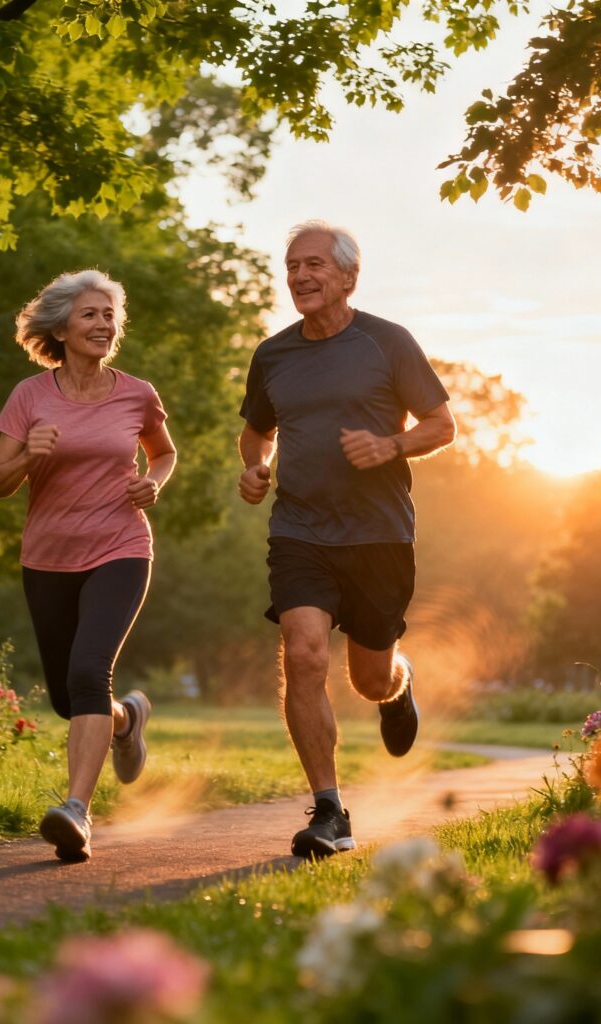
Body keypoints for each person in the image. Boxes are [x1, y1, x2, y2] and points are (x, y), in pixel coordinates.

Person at [238, 221, 456, 859]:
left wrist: (391, 444)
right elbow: (256, 432)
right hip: (300, 529)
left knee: (368, 679)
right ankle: (329, 810)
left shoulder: (387, 343)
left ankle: (399, 681)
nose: (300, 277)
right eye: (293, 266)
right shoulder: (272, 355)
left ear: (347, 278)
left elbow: (442, 424)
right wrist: (255, 467)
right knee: (303, 654)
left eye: (314, 266)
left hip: (380, 535)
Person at [0, 269, 176, 863]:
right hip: (48, 557)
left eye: (109, 315)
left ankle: (76, 811)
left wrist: (154, 483)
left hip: (121, 547)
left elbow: (165, 452)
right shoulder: (29, 396)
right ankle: (126, 721)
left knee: (90, 671)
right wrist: (25, 455)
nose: (103, 324)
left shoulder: (137, 392)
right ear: (62, 327)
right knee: (72, 700)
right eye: (90, 315)